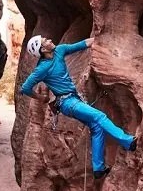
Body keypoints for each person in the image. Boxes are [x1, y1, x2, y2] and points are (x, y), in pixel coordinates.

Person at [19, 34, 136, 178]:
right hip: (67, 103)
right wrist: (41, 97)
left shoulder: (59, 51)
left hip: (74, 100)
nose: (50, 40)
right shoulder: (41, 68)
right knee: (99, 116)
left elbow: (83, 43)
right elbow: (25, 88)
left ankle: (98, 169)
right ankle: (128, 142)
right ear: (43, 49)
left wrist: (102, 38)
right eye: (45, 41)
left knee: (96, 127)